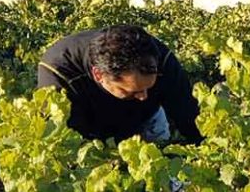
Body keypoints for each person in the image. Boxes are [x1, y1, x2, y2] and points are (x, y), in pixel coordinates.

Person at [37, 24, 201, 143]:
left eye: (148, 88)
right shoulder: (58, 72)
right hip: (93, 133)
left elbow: (189, 114)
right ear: (99, 75)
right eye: (132, 91)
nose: (144, 97)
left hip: (147, 120)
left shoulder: (162, 59)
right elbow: (66, 140)